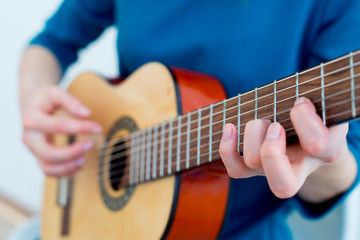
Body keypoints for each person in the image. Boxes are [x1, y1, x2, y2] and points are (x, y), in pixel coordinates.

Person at [20, 0, 360, 239]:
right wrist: (34, 99)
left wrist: (322, 156)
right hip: (95, 215)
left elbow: (344, 164)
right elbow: (51, 43)